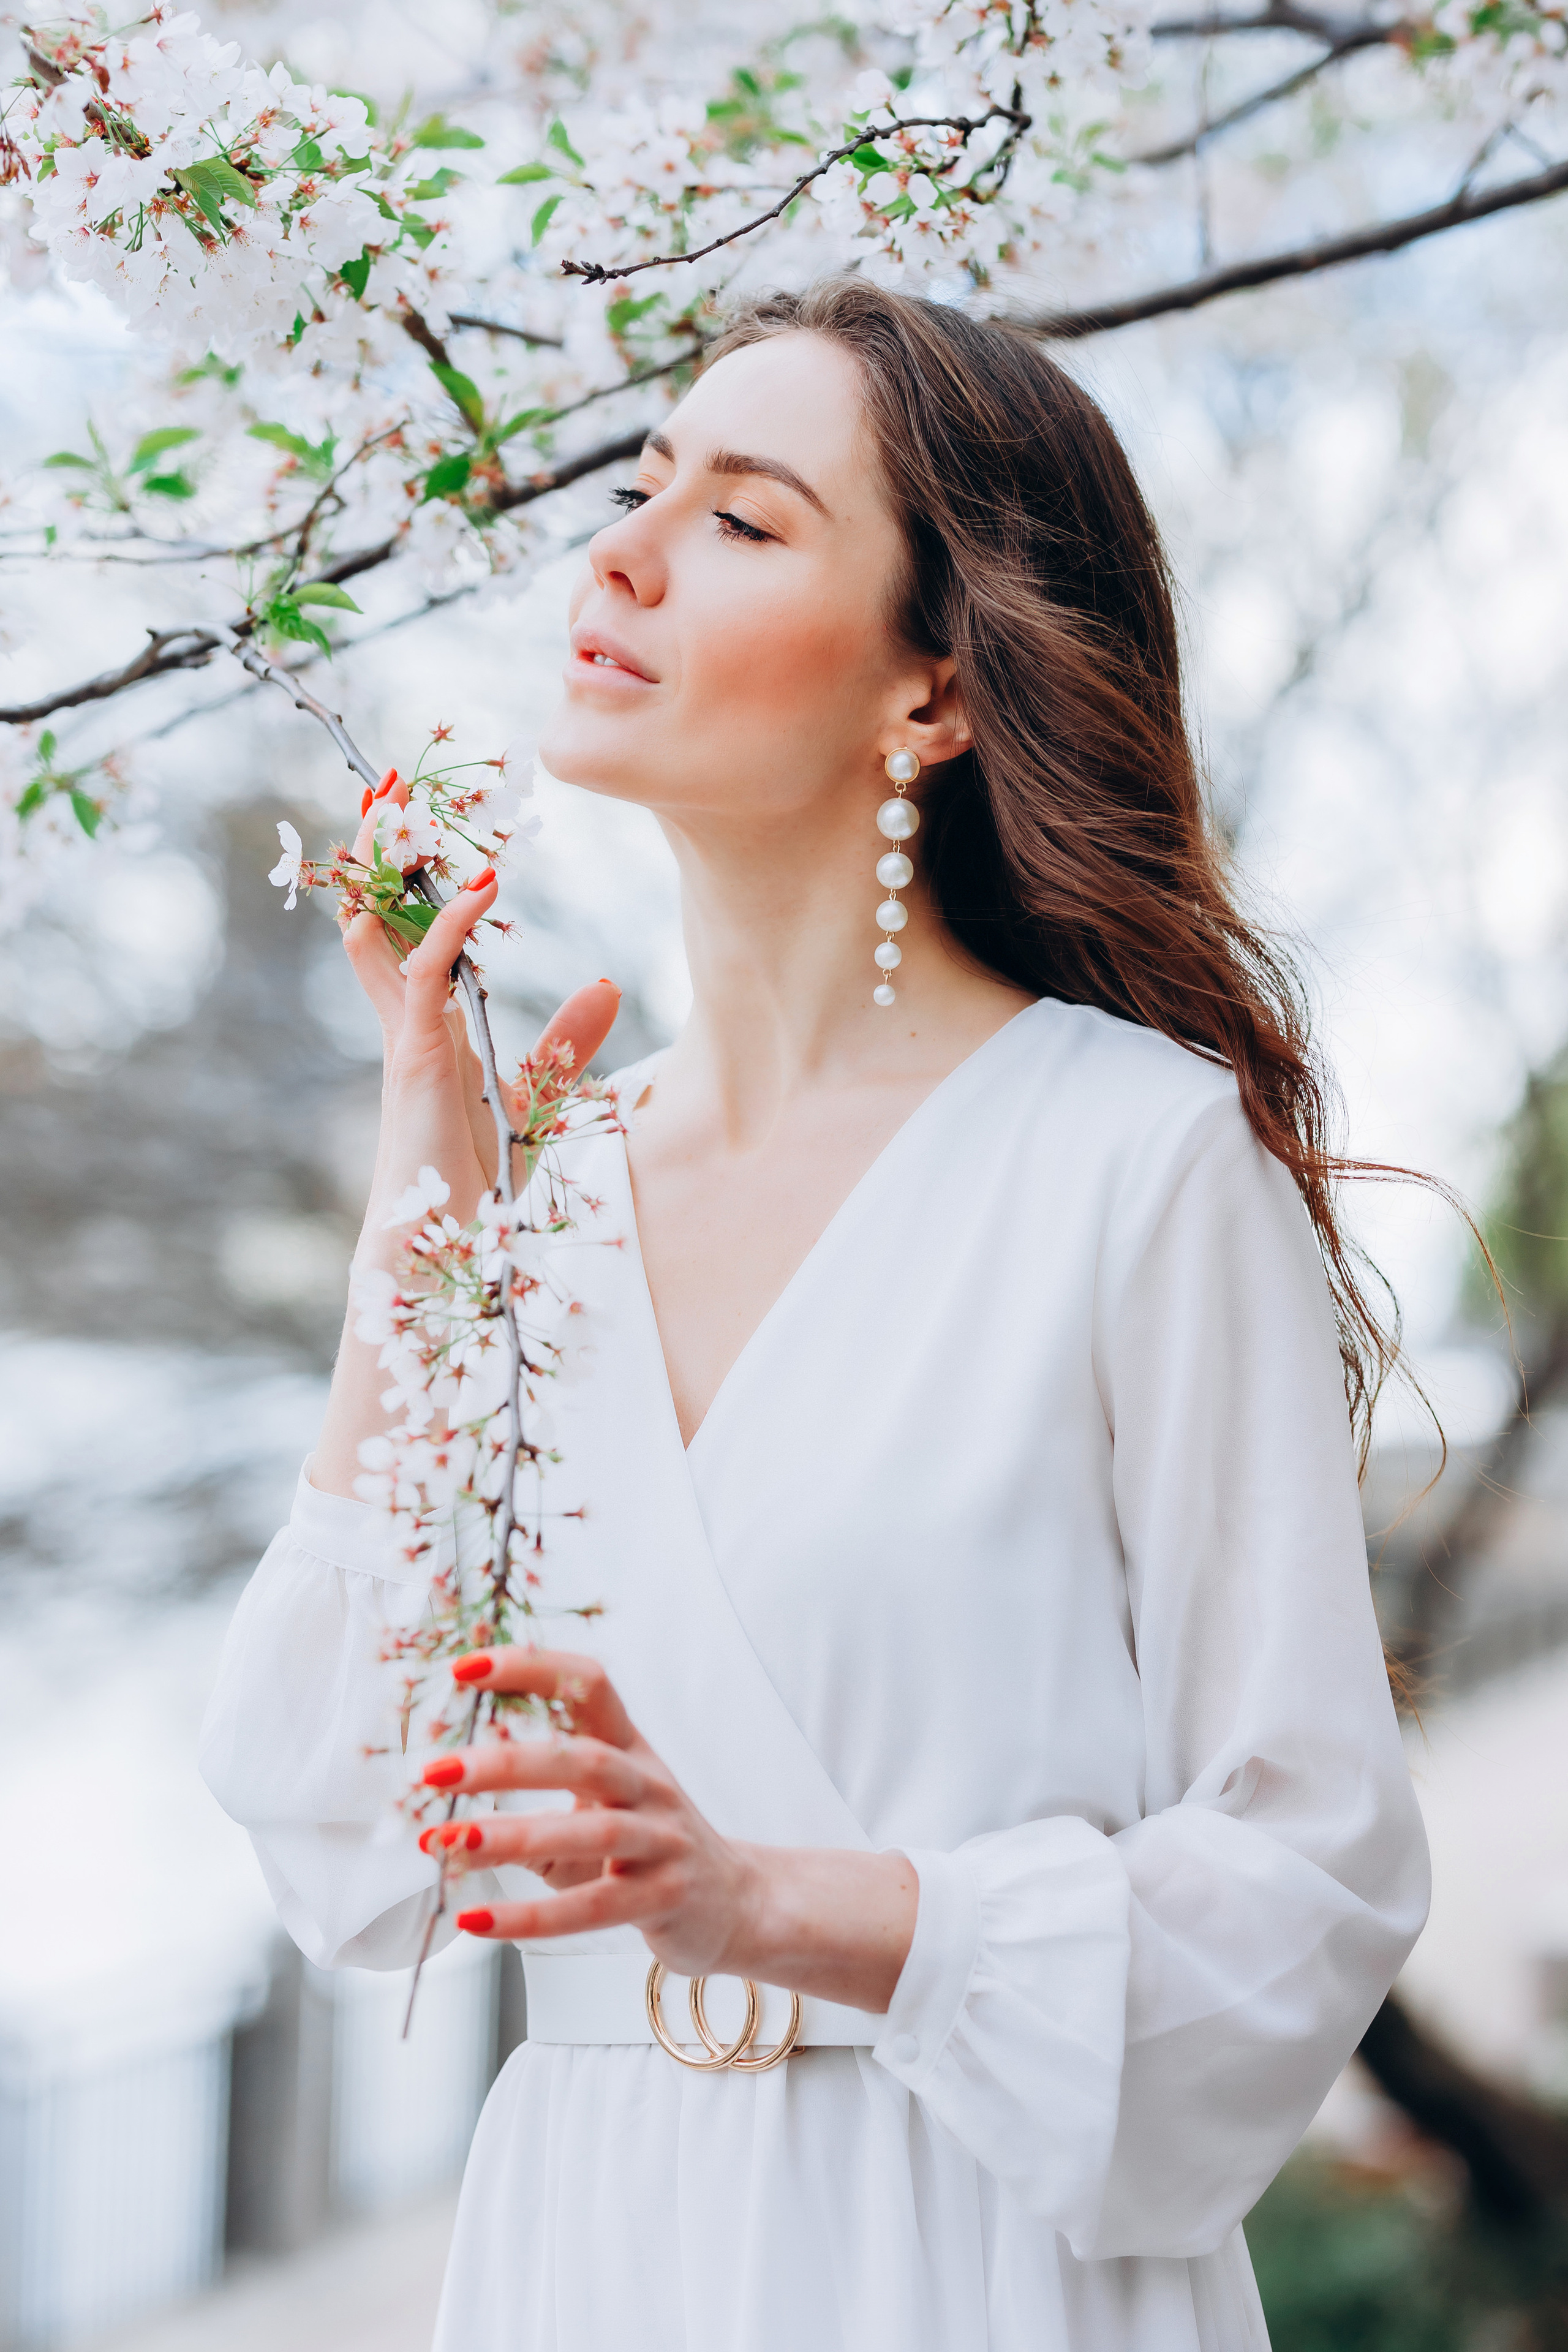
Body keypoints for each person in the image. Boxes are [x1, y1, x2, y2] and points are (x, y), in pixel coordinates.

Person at [200, 277, 1430, 2352]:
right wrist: (436, 1192)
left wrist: (771, 1907)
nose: (622, 546)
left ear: (933, 693)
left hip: (976, 2257)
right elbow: (344, 1839)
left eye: (745, 521)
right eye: (641, 480)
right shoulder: (537, 1196)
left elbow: (1314, 1872)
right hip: (589, 2249)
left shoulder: (1134, 1160)